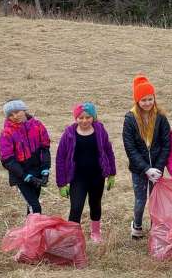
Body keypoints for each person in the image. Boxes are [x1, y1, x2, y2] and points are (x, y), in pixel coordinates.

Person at [55, 102, 117, 243]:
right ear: (75, 118)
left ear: (93, 117)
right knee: (76, 207)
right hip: (77, 178)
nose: (84, 121)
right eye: (80, 117)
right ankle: (73, 235)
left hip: (97, 176)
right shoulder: (69, 134)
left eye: (88, 117)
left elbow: (108, 151)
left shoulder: (100, 130)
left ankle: (95, 232)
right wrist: (62, 183)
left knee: (95, 204)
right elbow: (60, 157)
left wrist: (112, 173)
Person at [122, 74, 171, 239]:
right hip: (139, 169)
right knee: (140, 199)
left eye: (150, 99)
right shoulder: (130, 119)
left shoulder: (161, 117)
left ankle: (156, 227)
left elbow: (166, 144)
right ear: (137, 101)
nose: (147, 103)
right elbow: (130, 147)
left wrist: (158, 167)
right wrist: (145, 168)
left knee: (155, 199)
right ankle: (137, 225)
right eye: (143, 100)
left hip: (156, 167)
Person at [0, 99, 51, 216]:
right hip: (20, 176)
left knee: (32, 206)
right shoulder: (6, 133)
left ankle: (29, 232)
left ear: (24, 110)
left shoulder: (38, 126)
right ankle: (33, 233)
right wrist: (26, 176)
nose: (15, 116)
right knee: (35, 207)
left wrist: (45, 170)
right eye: (10, 115)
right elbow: (7, 160)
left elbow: (45, 148)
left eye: (17, 112)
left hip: (37, 173)